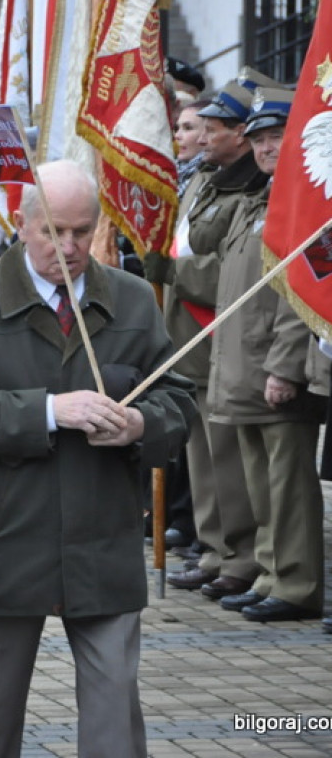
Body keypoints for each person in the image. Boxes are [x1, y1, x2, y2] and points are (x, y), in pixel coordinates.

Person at [0, 160, 196, 758]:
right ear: (21, 224)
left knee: (114, 727)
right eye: (54, 231)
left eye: (82, 231)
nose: (70, 247)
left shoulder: (130, 298)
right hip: (6, 541)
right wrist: (52, 411)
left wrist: (138, 424)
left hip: (102, 542)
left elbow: (177, 401)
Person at [206, 87, 326, 622]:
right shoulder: (259, 199)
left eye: (276, 137)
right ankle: (272, 571)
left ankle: (296, 581)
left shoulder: (305, 204)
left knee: (288, 487)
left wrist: (284, 364)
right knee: (261, 485)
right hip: (242, 362)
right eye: (257, 140)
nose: (264, 148)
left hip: (277, 364)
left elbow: (303, 293)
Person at [143, 80, 265, 599]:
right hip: (189, 337)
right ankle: (215, 550)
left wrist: (168, 271)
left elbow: (223, 269)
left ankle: (239, 557)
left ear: (241, 134)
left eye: (212, 128)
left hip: (219, 334)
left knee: (231, 462)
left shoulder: (250, 187)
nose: (203, 138)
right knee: (203, 455)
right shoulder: (209, 180)